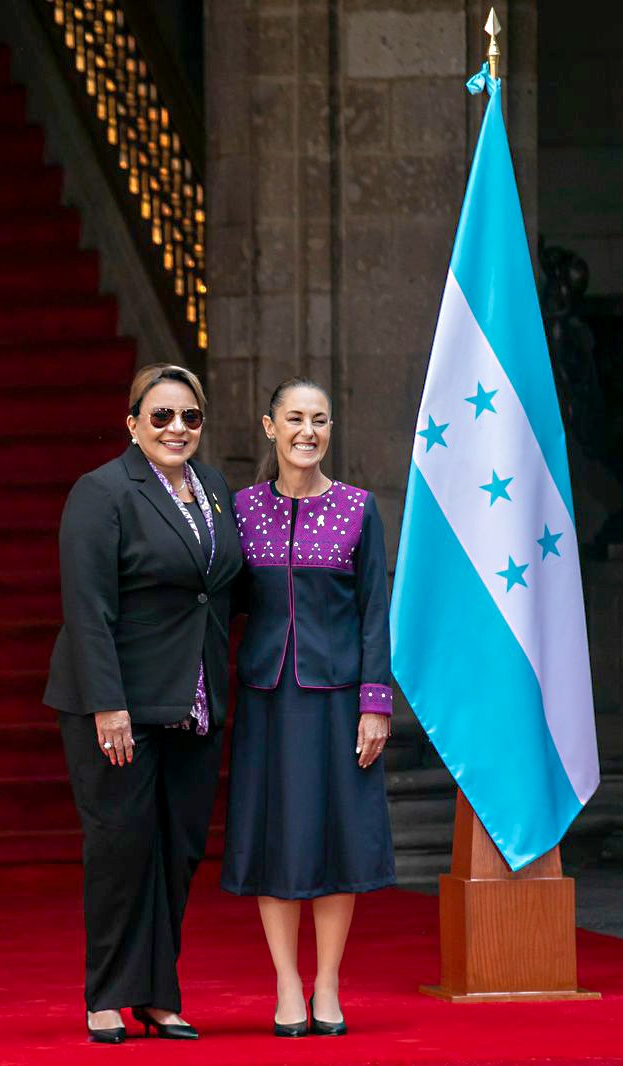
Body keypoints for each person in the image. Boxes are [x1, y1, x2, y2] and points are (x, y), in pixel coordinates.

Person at [44, 363, 245, 1044]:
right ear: (133, 423)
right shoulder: (101, 491)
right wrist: (109, 705)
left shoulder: (213, 488)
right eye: (161, 415)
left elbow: (218, 590)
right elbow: (88, 609)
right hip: (119, 704)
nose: (176, 428)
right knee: (121, 850)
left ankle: (159, 995)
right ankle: (107, 995)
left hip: (195, 699)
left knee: (178, 851)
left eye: (190, 416)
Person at [221, 377, 396, 1038]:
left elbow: (375, 612)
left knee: (337, 838)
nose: (307, 432)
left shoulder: (358, 508)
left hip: (339, 702)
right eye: (294, 418)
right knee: (276, 839)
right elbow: (220, 602)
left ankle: (327, 982)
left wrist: (375, 704)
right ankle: (286, 984)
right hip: (266, 700)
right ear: (270, 427)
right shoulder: (240, 510)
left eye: (319, 420)